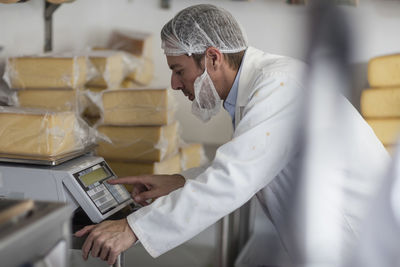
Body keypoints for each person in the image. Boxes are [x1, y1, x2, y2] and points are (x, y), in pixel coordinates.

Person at [75, 4, 390, 265]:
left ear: (213, 58)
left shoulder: (279, 87)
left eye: (179, 70)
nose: (173, 83)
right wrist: (181, 181)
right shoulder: (260, 88)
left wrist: (132, 228)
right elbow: (246, 164)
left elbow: (234, 178)